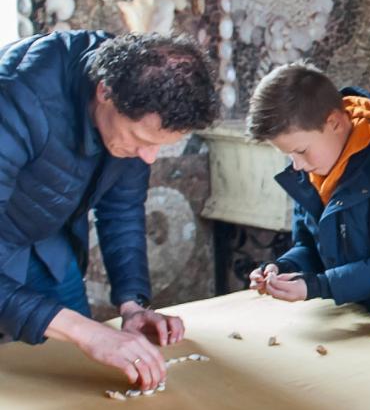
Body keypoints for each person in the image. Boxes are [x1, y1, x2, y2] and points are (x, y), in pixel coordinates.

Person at [0, 31, 217, 391]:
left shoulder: (135, 85)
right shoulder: (13, 99)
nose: (149, 158)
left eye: (159, 148)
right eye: (144, 142)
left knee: (65, 374)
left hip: (47, 240)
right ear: (104, 92)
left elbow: (122, 207)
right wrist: (87, 331)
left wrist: (132, 305)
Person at [244, 62, 370, 310]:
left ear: (335, 122)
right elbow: (309, 247)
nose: (297, 166)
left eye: (301, 151)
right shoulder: (315, 167)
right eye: (289, 155)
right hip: (346, 312)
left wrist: (318, 286)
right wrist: (284, 268)